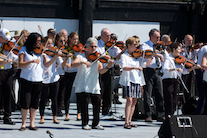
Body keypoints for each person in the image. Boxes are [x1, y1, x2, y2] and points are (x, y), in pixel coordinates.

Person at [71, 37, 113, 130]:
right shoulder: (81, 56)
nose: (94, 48)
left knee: (97, 104)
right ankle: (85, 123)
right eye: (92, 46)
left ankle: (95, 123)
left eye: (95, 46)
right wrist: (83, 62)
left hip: (94, 83)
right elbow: (73, 64)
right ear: (86, 46)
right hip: (83, 83)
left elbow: (101, 71)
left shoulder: (98, 58)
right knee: (84, 105)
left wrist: (108, 66)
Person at [18, 33, 57, 131]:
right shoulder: (24, 49)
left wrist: (55, 57)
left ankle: (32, 123)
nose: (40, 43)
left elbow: (46, 64)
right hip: (26, 79)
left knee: (35, 102)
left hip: (38, 79)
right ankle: (23, 124)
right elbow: (20, 64)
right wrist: (31, 62)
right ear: (32, 41)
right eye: (38, 41)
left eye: (40, 41)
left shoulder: (42, 52)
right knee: (26, 102)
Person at [140, 28, 165, 122]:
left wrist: (162, 58)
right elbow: (143, 57)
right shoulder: (145, 45)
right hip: (148, 70)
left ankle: (160, 114)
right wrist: (153, 55)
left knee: (159, 93)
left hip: (157, 70)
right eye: (157, 37)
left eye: (159, 37)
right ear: (151, 37)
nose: (159, 39)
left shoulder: (159, 46)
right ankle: (148, 115)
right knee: (147, 93)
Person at [119, 37, 145, 129]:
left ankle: (130, 120)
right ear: (129, 45)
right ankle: (126, 121)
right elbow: (124, 67)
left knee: (134, 101)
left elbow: (145, 64)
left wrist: (151, 56)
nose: (136, 47)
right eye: (134, 45)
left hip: (137, 79)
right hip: (128, 80)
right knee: (129, 100)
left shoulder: (137, 57)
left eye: (137, 45)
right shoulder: (124, 56)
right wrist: (134, 68)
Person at [97, 28, 121, 115]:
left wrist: (121, 52)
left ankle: (106, 110)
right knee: (99, 90)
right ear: (102, 35)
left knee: (108, 91)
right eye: (107, 36)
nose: (109, 37)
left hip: (109, 70)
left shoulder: (112, 47)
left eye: (110, 36)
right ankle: (97, 108)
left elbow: (117, 57)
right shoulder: (97, 44)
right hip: (99, 70)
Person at [39, 37, 63, 124]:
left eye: (51, 43)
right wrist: (56, 56)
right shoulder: (43, 54)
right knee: (43, 98)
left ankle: (55, 117)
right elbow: (46, 65)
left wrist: (65, 58)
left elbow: (62, 64)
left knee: (54, 98)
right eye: (48, 43)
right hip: (45, 79)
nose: (50, 45)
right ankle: (42, 117)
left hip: (54, 78)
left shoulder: (54, 53)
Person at [62, 32, 81, 121]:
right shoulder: (65, 49)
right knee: (67, 93)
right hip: (68, 72)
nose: (76, 41)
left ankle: (78, 113)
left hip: (77, 72)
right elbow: (62, 60)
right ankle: (67, 113)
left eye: (77, 39)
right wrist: (67, 63)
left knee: (78, 93)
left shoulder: (79, 49)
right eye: (74, 39)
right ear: (69, 39)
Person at [0, 28, 18, 125]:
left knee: (8, 92)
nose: (8, 41)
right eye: (5, 38)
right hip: (0, 71)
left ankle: (7, 116)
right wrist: (3, 60)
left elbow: (15, 57)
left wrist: (18, 59)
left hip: (8, 71)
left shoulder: (9, 47)